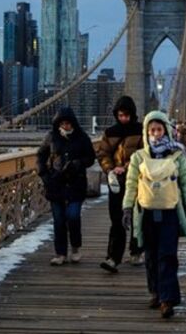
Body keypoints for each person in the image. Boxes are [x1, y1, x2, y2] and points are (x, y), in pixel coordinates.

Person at [122, 110, 186, 319]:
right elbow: (131, 184)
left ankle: (167, 299)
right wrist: (127, 208)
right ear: (146, 132)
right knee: (151, 255)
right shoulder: (138, 157)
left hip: (170, 212)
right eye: (152, 130)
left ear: (166, 131)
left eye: (159, 129)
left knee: (167, 255)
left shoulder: (177, 155)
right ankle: (156, 292)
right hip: (146, 212)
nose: (155, 134)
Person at [37, 107, 96, 266]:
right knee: (59, 220)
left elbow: (91, 157)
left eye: (68, 123)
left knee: (73, 216)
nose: (65, 126)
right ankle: (60, 253)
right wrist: (44, 174)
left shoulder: (82, 137)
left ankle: (75, 247)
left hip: (76, 183)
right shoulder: (51, 137)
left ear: (73, 123)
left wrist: (79, 163)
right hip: (55, 183)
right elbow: (41, 155)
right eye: (62, 123)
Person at [96, 96, 144, 273]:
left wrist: (127, 167)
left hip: (137, 181)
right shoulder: (110, 133)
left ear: (132, 114)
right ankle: (113, 258)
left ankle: (136, 252)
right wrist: (110, 169)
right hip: (116, 182)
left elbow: (144, 153)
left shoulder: (141, 130)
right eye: (120, 115)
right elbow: (103, 154)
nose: (123, 118)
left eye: (126, 115)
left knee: (137, 218)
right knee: (116, 220)